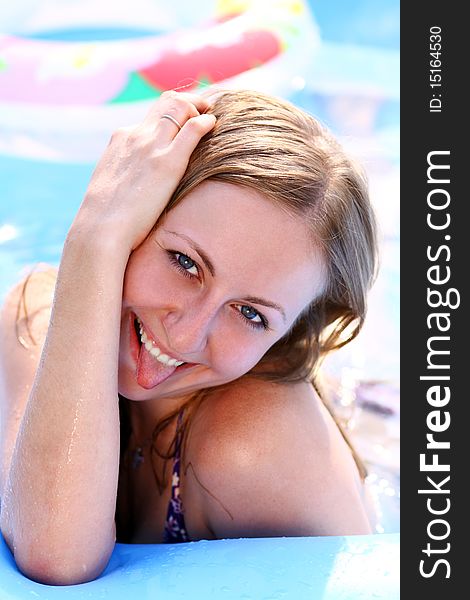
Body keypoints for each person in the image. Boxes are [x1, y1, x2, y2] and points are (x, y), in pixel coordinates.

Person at [0, 89, 378, 585]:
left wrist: (96, 237)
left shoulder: (255, 446)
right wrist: (94, 237)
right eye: (184, 263)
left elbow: (56, 559)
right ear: (135, 214)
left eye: (250, 313)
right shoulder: (39, 315)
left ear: (288, 335)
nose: (187, 331)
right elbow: (47, 534)